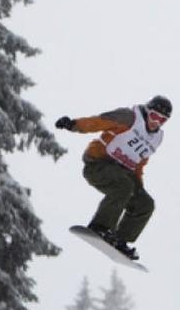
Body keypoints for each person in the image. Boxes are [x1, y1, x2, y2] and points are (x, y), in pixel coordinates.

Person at [54, 95, 173, 259]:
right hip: (98, 165)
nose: (156, 122)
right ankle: (100, 227)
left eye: (163, 120)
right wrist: (73, 124)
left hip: (124, 172)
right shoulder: (129, 118)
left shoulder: (156, 138)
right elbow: (99, 122)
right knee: (124, 186)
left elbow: (139, 163)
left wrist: (138, 189)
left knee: (145, 204)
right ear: (147, 111)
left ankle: (120, 240)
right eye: (154, 116)